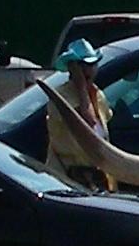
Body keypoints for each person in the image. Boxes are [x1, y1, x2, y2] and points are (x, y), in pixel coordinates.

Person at [44, 40, 113, 191]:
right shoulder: (61, 97)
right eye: (82, 66)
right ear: (72, 68)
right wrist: (81, 86)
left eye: (92, 65)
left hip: (97, 178)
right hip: (67, 180)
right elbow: (88, 122)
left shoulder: (98, 95)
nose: (88, 70)